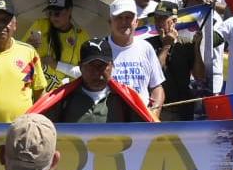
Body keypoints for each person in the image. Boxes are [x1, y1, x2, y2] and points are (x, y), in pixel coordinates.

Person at [26, 38, 156, 123]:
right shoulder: (63, 99)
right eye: (90, 66)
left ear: (112, 66)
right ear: (81, 67)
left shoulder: (126, 100)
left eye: (102, 66)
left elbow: (149, 133)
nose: (96, 72)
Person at [105, 0, 165, 111]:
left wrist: (154, 112)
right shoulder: (100, 48)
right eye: (119, 17)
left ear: (136, 22)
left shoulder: (146, 48)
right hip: (110, 121)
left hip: (141, 120)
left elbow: (157, 87)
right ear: (110, 22)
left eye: (129, 17)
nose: (124, 22)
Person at [21, 0, 92, 84]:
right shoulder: (40, 25)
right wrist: (27, 47)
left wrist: (56, 64)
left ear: (69, 11)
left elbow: (87, 73)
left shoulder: (81, 36)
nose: (52, 17)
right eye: (49, 13)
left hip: (64, 94)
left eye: (57, 13)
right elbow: (20, 58)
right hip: (37, 89)